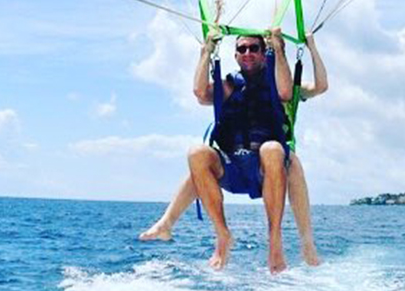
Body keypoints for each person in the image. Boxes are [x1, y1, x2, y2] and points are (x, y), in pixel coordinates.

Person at [139, 33, 329, 268]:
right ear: (236, 54)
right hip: (232, 168)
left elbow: (303, 89)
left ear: (264, 51)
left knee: (275, 151)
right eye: (242, 49)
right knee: (197, 153)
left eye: (254, 48)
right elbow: (200, 93)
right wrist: (206, 52)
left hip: (268, 169)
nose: (248, 53)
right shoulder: (229, 85)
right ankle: (220, 235)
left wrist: (303, 47)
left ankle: (282, 244)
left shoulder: (282, 82)